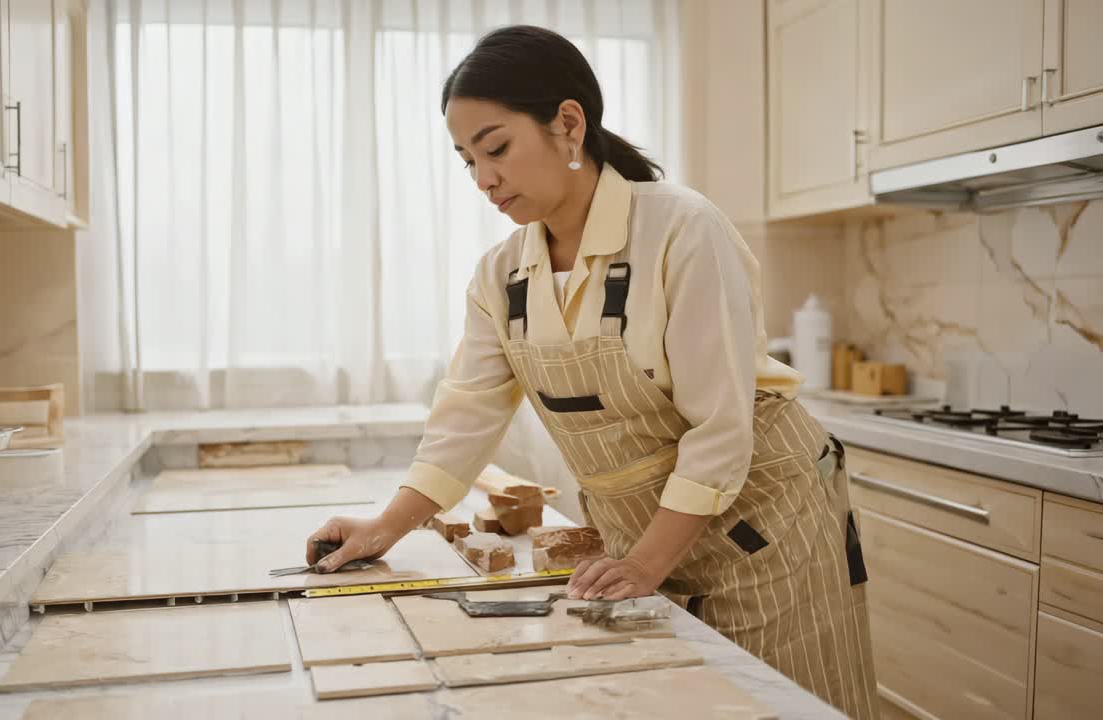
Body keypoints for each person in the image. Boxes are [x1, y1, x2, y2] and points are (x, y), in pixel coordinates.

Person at [306, 25, 877, 718]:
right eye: (466, 160)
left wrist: (645, 565)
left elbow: (721, 430)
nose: (484, 179)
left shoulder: (683, 230)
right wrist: (383, 528)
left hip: (767, 528)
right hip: (645, 538)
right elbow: (467, 418)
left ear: (568, 124)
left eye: (496, 148)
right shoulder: (500, 275)